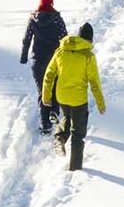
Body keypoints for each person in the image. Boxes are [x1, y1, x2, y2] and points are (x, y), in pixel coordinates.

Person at [42, 21, 106, 172]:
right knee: (78, 135)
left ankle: (60, 137)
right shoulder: (88, 56)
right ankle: (75, 170)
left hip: (62, 96)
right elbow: (94, 82)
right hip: (78, 100)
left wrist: (46, 95)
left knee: (66, 118)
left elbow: (49, 74)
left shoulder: (61, 51)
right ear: (90, 39)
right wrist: (101, 104)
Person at [19, 0, 67, 133]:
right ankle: (54, 114)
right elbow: (64, 38)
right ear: (51, 2)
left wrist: (23, 57)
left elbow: (26, 39)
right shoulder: (57, 19)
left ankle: (44, 124)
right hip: (54, 60)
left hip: (38, 61)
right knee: (54, 90)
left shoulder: (33, 18)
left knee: (42, 91)